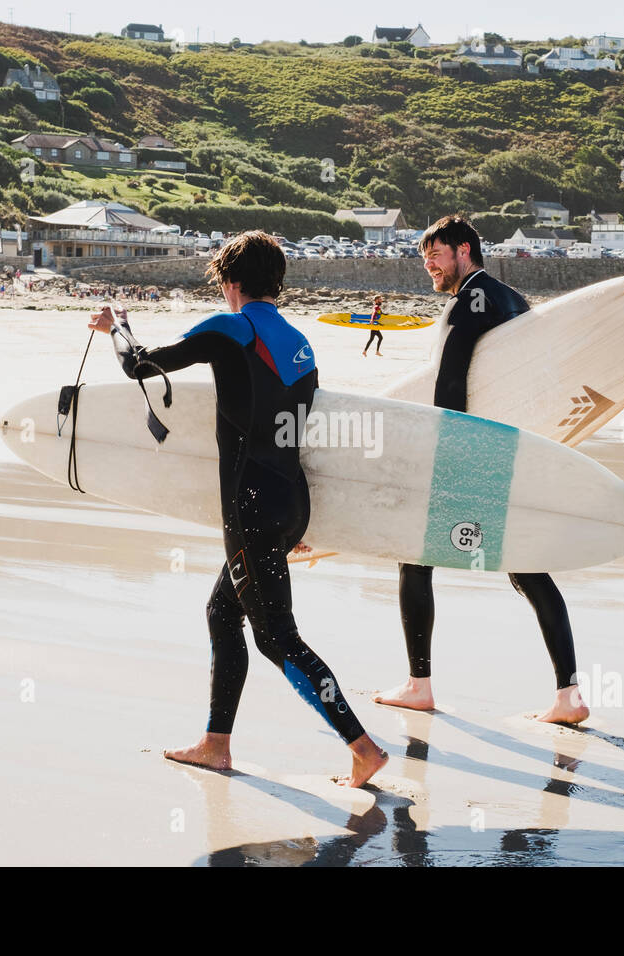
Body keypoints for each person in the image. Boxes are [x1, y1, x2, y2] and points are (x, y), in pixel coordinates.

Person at [87, 231, 388, 787]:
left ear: (228, 280)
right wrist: (290, 522)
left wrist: (117, 327)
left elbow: (142, 367)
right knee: (224, 613)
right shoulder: (300, 343)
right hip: (289, 499)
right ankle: (215, 743)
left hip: (251, 504)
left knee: (276, 636)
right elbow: (296, 429)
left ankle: (362, 746)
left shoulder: (232, 328)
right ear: (276, 281)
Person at [372, 215, 589, 724]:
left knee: (413, 556)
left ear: (464, 250)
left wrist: (438, 451)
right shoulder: (512, 300)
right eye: (424, 255)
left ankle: (418, 686)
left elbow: (450, 383)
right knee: (528, 569)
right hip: (511, 450)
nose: (428, 264)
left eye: (436, 254)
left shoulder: (466, 302)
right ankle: (568, 694)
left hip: (467, 451)